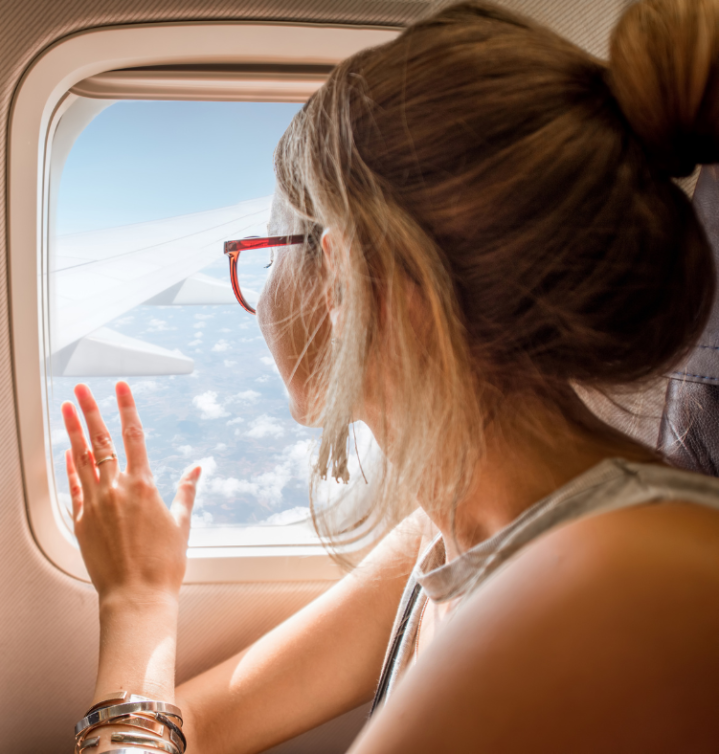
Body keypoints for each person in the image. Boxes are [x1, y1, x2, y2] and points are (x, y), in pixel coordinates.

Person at [61, 1, 719, 751]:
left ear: (343, 278)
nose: (262, 292)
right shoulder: (457, 533)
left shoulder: (608, 578)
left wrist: (136, 606)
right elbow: (200, 727)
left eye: (272, 247)